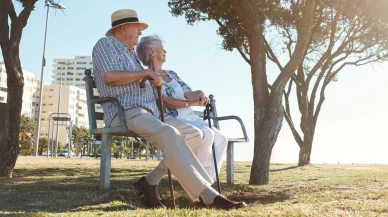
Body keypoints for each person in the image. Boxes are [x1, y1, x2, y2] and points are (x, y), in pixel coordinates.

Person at [92, 9, 247, 210]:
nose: (140, 31)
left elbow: (144, 79)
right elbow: (109, 77)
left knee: (193, 135)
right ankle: (209, 195)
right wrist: (146, 73)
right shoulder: (105, 44)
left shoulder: (132, 55)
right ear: (123, 28)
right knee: (170, 134)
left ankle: (149, 181)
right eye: (137, 27)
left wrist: (153, 84)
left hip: (152, 113)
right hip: (127, 111)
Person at [136, 35, 228, 180]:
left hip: (189, 116)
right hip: (174, 118)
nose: (165, 51)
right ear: (151, 52)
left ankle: (208, 181)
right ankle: (199, 179)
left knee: (221, 138)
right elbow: (164, 101)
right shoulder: (148, 77)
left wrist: (199, 94)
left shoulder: (172, 74)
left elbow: (188, 93)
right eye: (161, 48)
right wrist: (190, 104)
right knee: (207, 135)